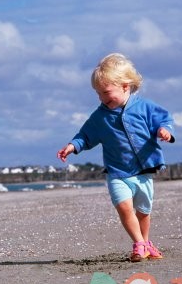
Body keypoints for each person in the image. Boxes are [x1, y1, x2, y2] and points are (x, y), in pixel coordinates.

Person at [57, 53, 175, 262]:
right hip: (117, 172)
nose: (102, 98)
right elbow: (85, 135)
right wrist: (72, 146)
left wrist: (164, 130)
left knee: (143, 211)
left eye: (106, 92)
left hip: (144, 170)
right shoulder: (100, 117)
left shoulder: (145, 107)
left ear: (125, 86)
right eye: (98, 94)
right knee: (123, 206)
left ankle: (146, 242)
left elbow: (163, 119)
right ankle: (138, 243)